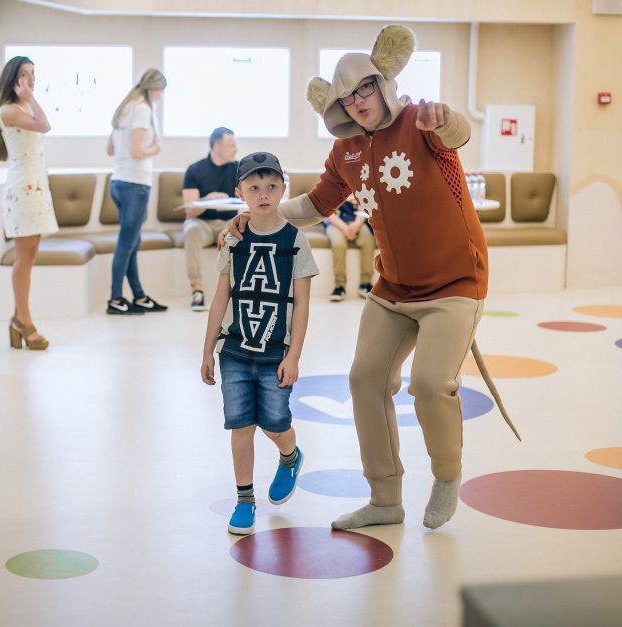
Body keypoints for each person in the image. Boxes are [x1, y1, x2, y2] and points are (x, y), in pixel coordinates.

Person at [227, 25, 518, 530]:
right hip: (393, 290)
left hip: (455, 284)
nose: (357, 100)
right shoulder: (345, 154)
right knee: (364, 380)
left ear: (382, 83)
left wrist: (445, 117)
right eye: (345, 95)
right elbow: (313, 206)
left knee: (430, 384)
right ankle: (385, 500)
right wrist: (258, 213)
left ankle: (446, 476)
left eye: (364, 87)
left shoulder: (418, 121)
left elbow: (459, 133)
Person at [201, 152, 319, 535]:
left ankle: (289, 455)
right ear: (240, 192)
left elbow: (301, 305)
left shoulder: (296, 241)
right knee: (241, 427)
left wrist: (295, 356)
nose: (263, 194)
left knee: (274, 424)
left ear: (284, 189)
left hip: (274, 352)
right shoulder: (233, 239)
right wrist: (207, 351)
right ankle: (245, 499)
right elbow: (221, 297)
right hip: (233, 349)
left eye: (271, 186)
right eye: (254, 187)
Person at [0, 55, 57, 350]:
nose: (30, 79)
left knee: (29, 256)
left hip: (35, 187)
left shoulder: (24, 107)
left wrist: (30, 98)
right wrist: (31, 99)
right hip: (22, 190)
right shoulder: (9, 110)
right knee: (23, 258)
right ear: (13, 79)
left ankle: (19, 318)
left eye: (32, 74)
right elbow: (45, 125)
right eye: (24, 75)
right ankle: (23, 319)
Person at [105, 69, 169, 315]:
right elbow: (137, 151)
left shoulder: (124, 108)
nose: (161, 96)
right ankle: (115, 299)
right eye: (161, 91)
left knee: (132, 241)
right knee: (126, 243)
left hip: (118, 182)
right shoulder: (142, 109)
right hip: (135, 184)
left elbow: (110, 149)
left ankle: (138, 295)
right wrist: (156, 147)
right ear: (154, 88)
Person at [182, 127, 239, 311]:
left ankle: (238, 292)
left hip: (228, 223)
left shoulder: (239, 169)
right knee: (191, 231)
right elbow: (190, 211)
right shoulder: (195, 170)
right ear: (216, 146)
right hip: (202, 223)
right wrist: (207, 200)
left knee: (243, 234)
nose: (235, 150)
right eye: (231, 145)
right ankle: (197, 291)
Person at [324, 193, 376, 301]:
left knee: (368, 240)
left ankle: (365, 284)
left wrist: (356, 225)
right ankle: (340, 286)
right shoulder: (329, 184)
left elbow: (364, 206)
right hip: (335, 223)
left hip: (357, 221)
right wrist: (345, 229)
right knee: (338, 244)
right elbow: (327, 213)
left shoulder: (358, 181)